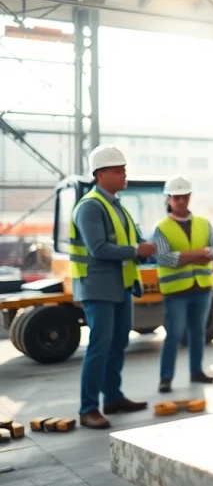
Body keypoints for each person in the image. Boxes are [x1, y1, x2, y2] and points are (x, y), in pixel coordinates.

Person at [69, 145, 154, 429]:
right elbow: (98, 248)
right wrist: (135, 249)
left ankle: (113, 397)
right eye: (119, 170)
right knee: (99, 347)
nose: (124, 175)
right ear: (101, 174)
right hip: (98, 288)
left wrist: (145, 248)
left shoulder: (117, 206)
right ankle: (88, 408)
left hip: (120, 286)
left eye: (124, 169)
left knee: (118, 344)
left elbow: (132, 242)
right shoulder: (90, 206)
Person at [151, 176, 213, 393]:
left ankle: (196, 371)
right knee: (174, 334)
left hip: (202, 288)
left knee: (198, 332)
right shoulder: (162, 227)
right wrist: (198, 253)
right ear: (169, 199)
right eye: (176, 197)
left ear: (190, 197)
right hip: (176, 291)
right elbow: (164, 258)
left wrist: (186, 256)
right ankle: (166, 377)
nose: (181, 201)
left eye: (184, 196)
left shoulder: (203, 223)